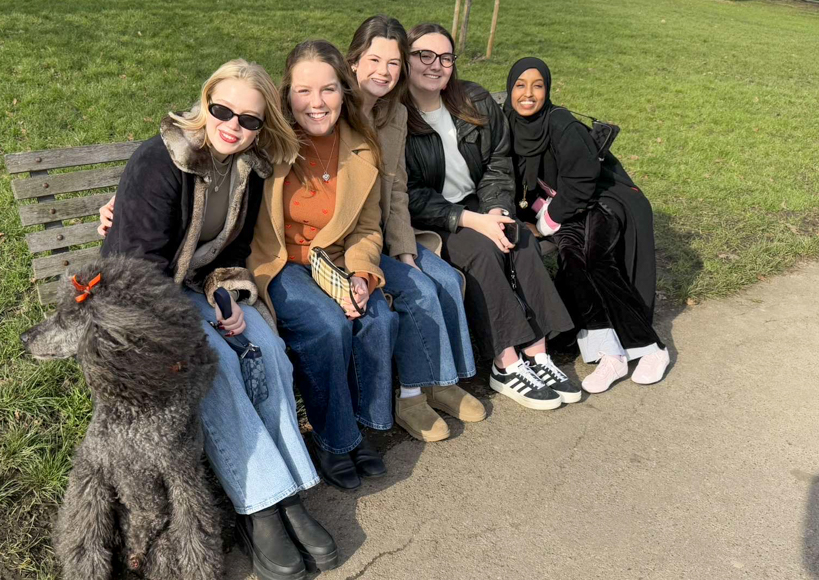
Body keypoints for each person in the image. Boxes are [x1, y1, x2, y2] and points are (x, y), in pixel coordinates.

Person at [97, 59, 336, 580]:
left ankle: (289, 490)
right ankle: (257, 506)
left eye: (249, 119)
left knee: (266, 344)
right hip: (138, 303)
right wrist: (191, 321)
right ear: (204, 104)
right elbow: (135, 269)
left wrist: (227, 297)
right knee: (218, 362)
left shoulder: (247, 168)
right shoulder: (161, 161)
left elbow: (232, 253)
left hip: (193, 287)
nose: (233, 125)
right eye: (222, 110)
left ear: (261, 126)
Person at [402, 23, 581, 411]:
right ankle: (505, 362)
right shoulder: (397, 116)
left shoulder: (474, 101)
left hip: (481, 202)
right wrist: (471, 219)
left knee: (520, 236)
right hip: (435, 219)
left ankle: (537, 352)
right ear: (407, 58)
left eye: (445, 58)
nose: (436, 65)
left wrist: (497, 209)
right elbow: (409, 193)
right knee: (483, 251)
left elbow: (498, 162)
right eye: (424, 56)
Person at [248, 40, 397, 492]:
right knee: (327, 327)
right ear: (285, 94)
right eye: (303, 91)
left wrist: (362, 274)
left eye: (328, 90)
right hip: (280, 263)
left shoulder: (361, 150)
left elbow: (367, 226)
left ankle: (358, 428)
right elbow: (204, 153)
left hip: (333, 261)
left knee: (379, 317)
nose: (317, 103)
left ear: (344, 92)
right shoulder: (266, 142)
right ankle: (335, 442)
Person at [345, 15, 483, 443]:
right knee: (417, 290)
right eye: (373, 60)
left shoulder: (395, 114)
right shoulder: (335, 110)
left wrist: (407, 251)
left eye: (393, 63)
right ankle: (409, 397)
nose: (383, 72)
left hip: (386, 232)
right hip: (348, 242)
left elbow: (398, 189)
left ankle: (440, 382)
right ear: (353, 62)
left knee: (439, 276)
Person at [505, 57, 670, 393]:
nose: (528, 94)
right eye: (520, 85)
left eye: (538, 85)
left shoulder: (561, 122)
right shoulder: (508, 125)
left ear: (547, 90)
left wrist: (547, 220)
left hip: (604, 199)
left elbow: (583, 179)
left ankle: (651, 348)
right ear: (509, 89)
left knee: (595, 257)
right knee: (573, 260)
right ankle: (610, 354)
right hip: (564, 208)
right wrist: (532, 218)